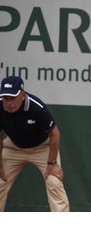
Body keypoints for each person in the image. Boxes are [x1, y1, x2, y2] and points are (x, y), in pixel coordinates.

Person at [0, 76, 70, 211]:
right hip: (13, 147)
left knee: (54, 182)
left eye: (12, 98)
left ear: (22, 95)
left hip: (42, 148)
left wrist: (51, 164)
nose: (8, 103)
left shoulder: (36, 107)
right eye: (5, 98)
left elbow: (55, 134)